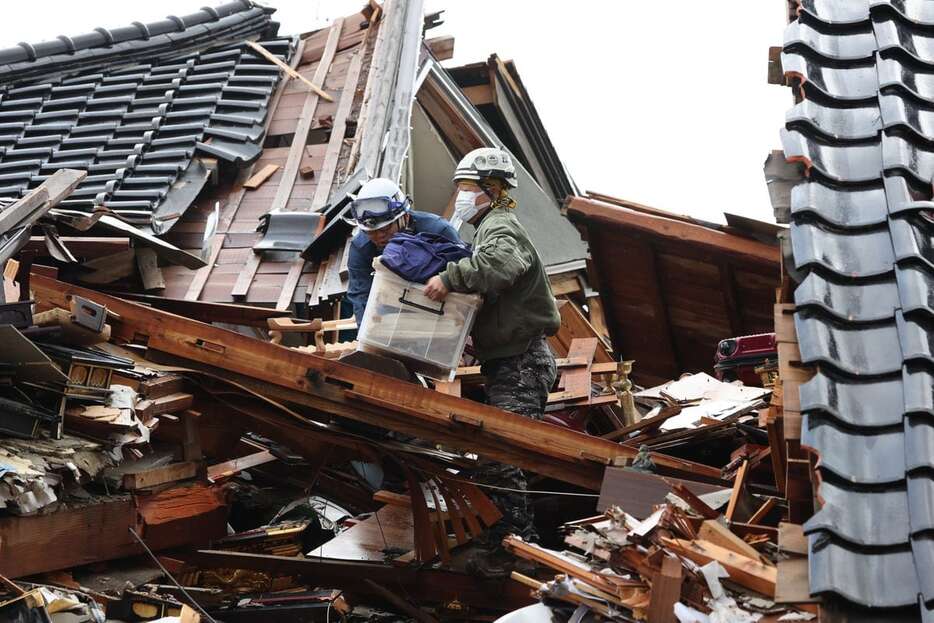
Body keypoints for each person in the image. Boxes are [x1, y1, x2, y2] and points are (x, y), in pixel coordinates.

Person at [423, 147, 560, 568]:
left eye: (467, 188)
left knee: (501, 458)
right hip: (510, 362)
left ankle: (519, 550)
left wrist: (450, 277)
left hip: (523, 362)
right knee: (497, 457)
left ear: (491, 189)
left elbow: (499, 267)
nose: (461, 196)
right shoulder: (486, 229)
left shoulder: (501, 225)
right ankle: (511, 543)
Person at [344, 177, 460, 324]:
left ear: (405, 216)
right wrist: (366, 335)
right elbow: (361, 297)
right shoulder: (361, 247)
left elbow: (468, 268)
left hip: (444, 312)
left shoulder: (439, 231)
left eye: (385, 229)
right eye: (371, 232)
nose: (379, 237)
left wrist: (448, 278)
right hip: (396, 318)